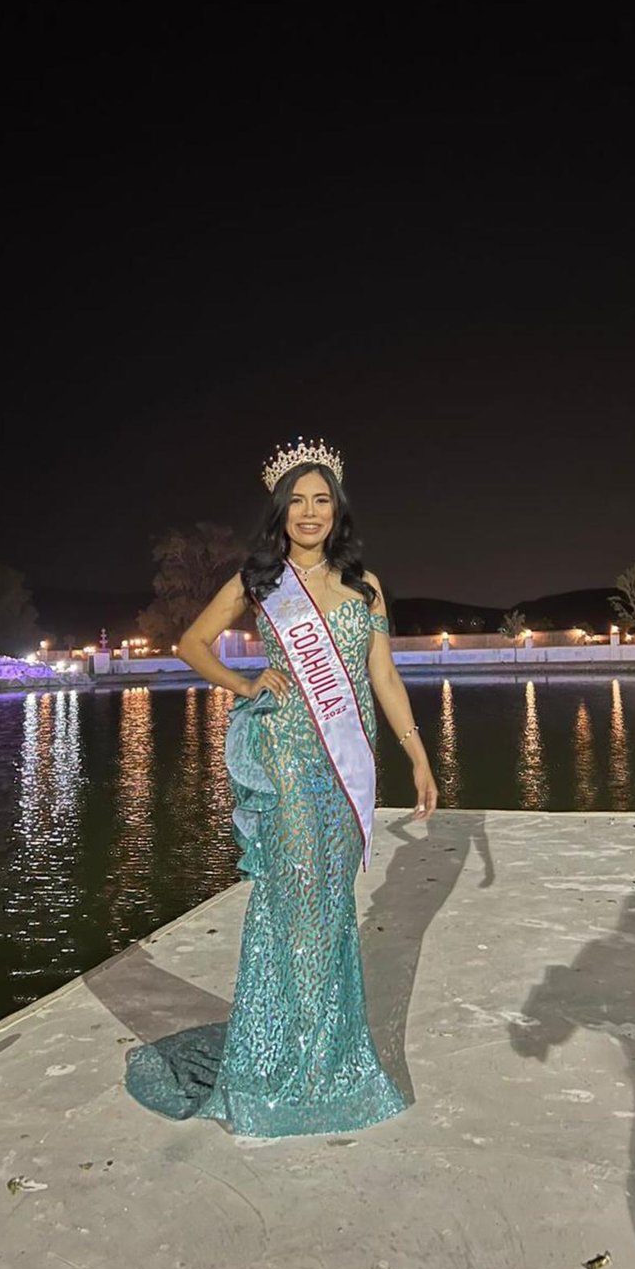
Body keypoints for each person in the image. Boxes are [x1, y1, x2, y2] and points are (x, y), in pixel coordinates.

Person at [124, 437, 439, 1136]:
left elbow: (383, 675)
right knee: (294, 906)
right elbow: (191, 644)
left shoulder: (367, 585)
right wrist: (244, 682)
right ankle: (287, 1059)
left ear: (338, 510)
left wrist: (417, 753)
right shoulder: (259, 581)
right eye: (296, 499)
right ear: (279, 510)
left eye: (321, 498)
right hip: (290, 761)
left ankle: (330, 1051)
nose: (308, 511)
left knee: (330, 908)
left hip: (345, 763)